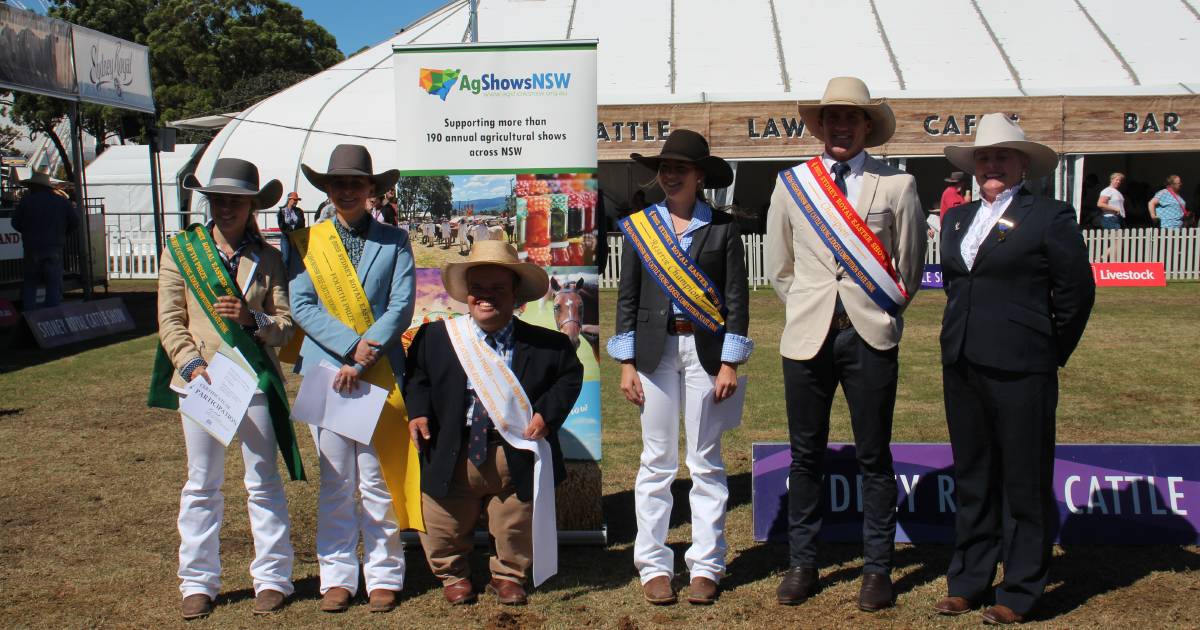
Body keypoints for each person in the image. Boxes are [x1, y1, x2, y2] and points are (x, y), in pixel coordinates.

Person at [764, 77, 926, 611]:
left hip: (868, 335)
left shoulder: (897, 185)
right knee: (805, 455)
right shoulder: (793, 184)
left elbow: (908, 268)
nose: (840, 126)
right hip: (807, 336)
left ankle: (877, 569)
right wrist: (813, 308)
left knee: (875, 456)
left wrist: (873, 311)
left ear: (867, 127)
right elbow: (780, 269)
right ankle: (803, 564)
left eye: (851, 118)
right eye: (831, 116)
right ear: (821, 124)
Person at [934, 113, 1095, 625]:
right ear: (974, 166)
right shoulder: (957, 220)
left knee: (1024, 481)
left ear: (1023, 164)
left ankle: (1021, 589)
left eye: (1003, 155)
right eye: (985, 156)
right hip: (961, 362)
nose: (993, 164)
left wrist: (1046, 350)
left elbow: (1075, 293)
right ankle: (970, 580)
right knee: (974, 475)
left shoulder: (1049, 215)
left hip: (1023, 365)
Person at [150, 158, 305, 620]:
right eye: (218, 199)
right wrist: (192, 363)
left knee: (263, 481)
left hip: (253, 380)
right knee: (202, 483)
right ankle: (197, 582)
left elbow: (285, 324)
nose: (225, 208)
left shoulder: (270, 257)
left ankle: (273, 578)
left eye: (235, 200)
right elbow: (169, 319)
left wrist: (252, 320)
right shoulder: (181, 251)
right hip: (202, 381)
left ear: (251, 205)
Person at [608, 129, 752, 606]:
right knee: (656, 461)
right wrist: (626, 362)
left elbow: (736, 300)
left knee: (706, 460)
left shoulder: (724, 228)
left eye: (679, 169)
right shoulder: (640, 227)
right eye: (664, 168)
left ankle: (707, 565)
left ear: (699, 177)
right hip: (653, 354)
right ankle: (653, 565)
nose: (669, 176)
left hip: (706, 355)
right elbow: (626, 299)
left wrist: (730, 361)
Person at [405, 241, 583, 606]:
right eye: (478, 289)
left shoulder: (549, 345)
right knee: (443, 522)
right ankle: (453, 576)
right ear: (466, 294)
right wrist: (418, 411)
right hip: (452, 449)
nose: (486, 297)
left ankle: (508, 575)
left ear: (515, 295)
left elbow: (569, 379)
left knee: (515, 521)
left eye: (498, 289)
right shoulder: (436, 338)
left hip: (512, 452)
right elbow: (417, 378)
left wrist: (545, 414)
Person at [288, 144, 418, 614]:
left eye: (355, 183)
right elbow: (300, 304)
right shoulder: (307, 242)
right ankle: (338, 576)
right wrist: (349, 348)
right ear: (327, 189)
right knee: (336, 479)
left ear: (372, 190)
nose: (346, 190)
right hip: (328, 372)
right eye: (337, 183)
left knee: (378, 478)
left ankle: (384, 573)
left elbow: (401, 305)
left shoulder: (395, 241)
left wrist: (365, 355)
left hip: (379, 371)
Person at [11, 168, 78, 310]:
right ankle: (52, 314)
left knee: (30, 282)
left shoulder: (26, 201)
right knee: (53, 282)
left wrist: (27, 232)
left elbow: (15, 223)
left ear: (33, 187)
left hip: (32, 246)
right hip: (54, 246)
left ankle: (28, 315)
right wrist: (62, 234)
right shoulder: (61, 201)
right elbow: (75, 222)